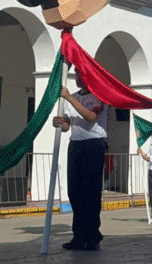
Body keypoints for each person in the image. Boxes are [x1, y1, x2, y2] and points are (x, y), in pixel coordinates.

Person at [51, 70, 109, 251]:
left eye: (81, 75)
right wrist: (60, 123)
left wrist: (69, 98)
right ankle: (79, 237)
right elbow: (67, 125)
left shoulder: (99, 96)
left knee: (90, 192)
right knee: (75, 191)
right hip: (76, 144)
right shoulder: (73, 97)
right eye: (76, 75)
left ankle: (92, 237)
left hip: (93, 144)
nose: (77, 78)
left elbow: (90, 116)